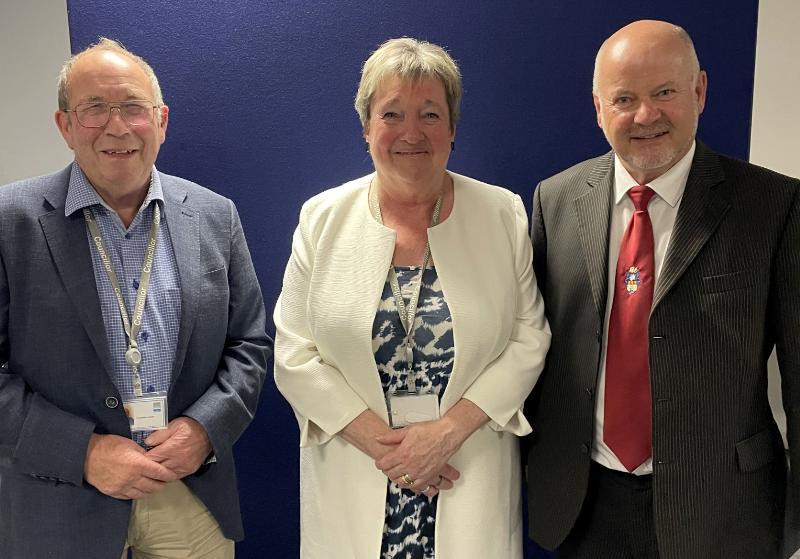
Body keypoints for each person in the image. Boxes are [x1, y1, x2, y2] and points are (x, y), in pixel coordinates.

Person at [525, 19, 799, 559]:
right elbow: (535, 349)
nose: (645, 115)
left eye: (664, 92)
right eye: (624, 98)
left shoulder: (774, 207)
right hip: (583, 504)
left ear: (699, 91)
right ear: (599, 108)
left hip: (723, 511)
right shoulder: (553, 201)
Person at [274, 37, 550, 558]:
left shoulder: (501, 213)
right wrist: (393, 451)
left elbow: (529, 337)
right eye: (392, 113)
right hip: (356, 474)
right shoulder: (322, 218)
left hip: (465, 468)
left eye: (429, 114)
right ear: (366, 127)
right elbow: (293, 355)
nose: (411, 132)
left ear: (452, 128)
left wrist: (444, 434)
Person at [0, 38, 272, 559]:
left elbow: (250, 346)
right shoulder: (10, 221)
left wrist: (204, 428)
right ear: (65, 126)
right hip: (60, 502)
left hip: (189, 496)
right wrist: (83, 452)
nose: (116, 127)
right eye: (94, 109)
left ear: (162, 120)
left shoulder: (217, 217)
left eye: (132, 107)